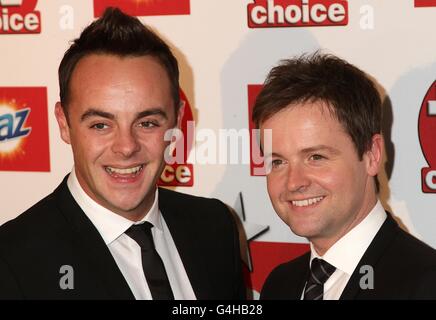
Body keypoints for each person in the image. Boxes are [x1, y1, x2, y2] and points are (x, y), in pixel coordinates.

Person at [0, 7, 245, 300]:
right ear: (64, 124)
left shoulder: (215, 226)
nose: (127, 147)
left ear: (177, 122)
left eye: (147, 123)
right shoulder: (12, 260)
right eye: (101, 124)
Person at [253, 52, 436, 300]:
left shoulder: (426, 285)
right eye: (278, 161)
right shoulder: (280, 285)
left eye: (316, 157)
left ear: (372, 155)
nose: (294, 182)